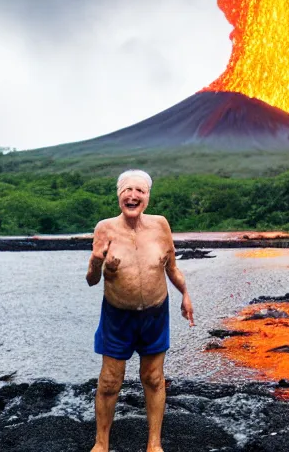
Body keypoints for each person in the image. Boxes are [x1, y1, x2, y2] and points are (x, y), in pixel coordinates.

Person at [86, 169, 195, 452]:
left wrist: (185, 294)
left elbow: (171, 267)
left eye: (139, 191)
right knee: (110, 381)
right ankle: (101, 443)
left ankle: (154, 444)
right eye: (127, 190)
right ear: (119, 196)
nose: (133, 195)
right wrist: (99, 264)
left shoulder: (160, 225)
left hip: (156, 313)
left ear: (147, 197)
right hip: (117, 314)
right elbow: (91, 280)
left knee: (154, 377)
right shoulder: (104, 228)